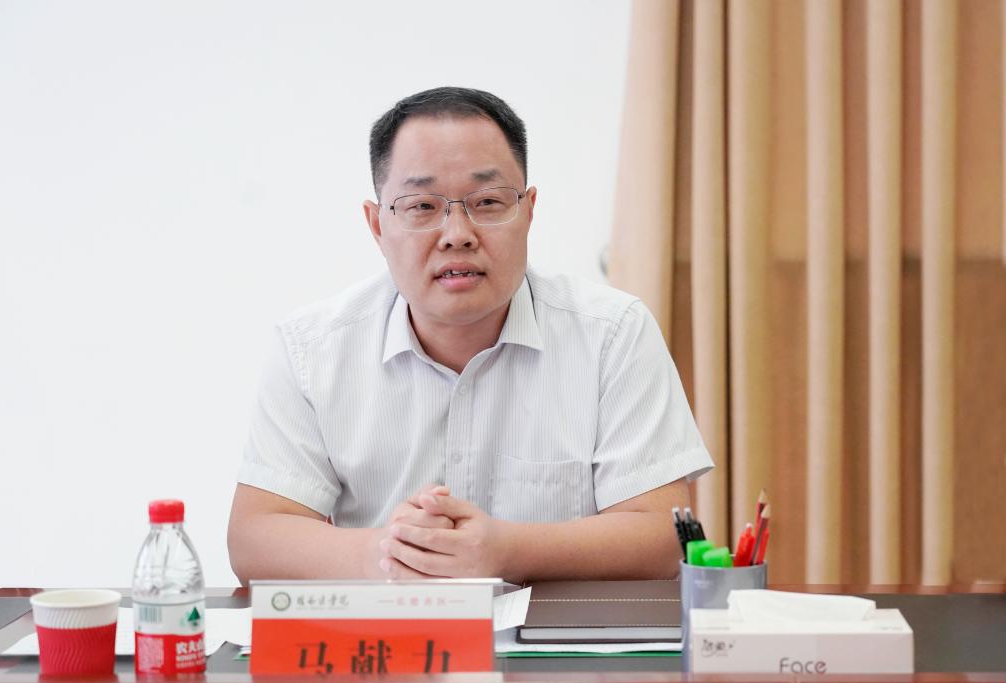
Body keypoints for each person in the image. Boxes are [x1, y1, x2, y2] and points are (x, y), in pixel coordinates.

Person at [227, 87, 713, 585]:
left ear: (529, 211)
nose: (457, 233)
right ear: (377, 225)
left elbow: (662, 536)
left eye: (487, 202)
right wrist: (389, 551)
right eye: (422, 206)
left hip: (560, 635)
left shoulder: (613, 332)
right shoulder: (312, 348)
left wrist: (505, 550)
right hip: (389, 631)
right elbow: (254, 538)